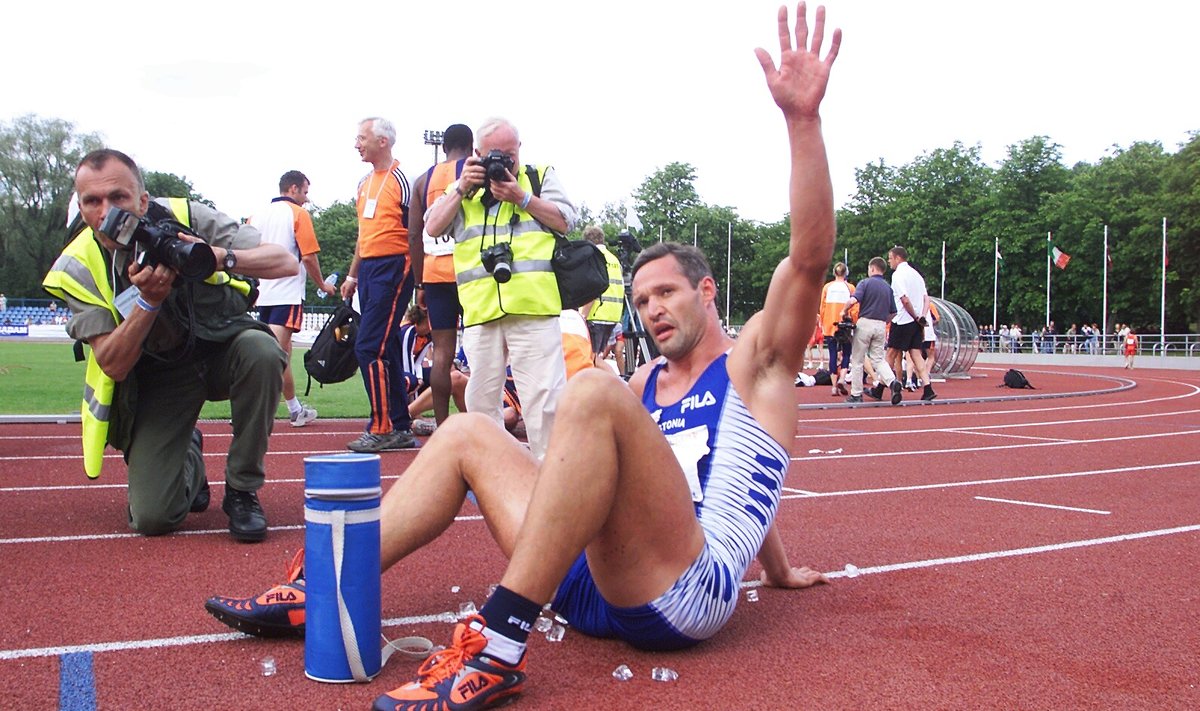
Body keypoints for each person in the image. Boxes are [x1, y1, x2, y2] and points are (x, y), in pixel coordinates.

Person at [205, 6, 837, 709]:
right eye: (643, 296)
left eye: (667, 294)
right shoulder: (649, 379)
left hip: (681, 593)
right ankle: (316, 582)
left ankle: (498, 643)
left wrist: (802, 122)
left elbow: (808, 259)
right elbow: (737, 470)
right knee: (467, 429)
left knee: (591, 390)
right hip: (598, 579)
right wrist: (777, 568)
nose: (652, 308)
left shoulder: (759, 368)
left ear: (708, 292)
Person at [42, 149, 297, 541]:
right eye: (92, 202)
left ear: (143, 200)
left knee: (262, 352)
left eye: (118, 198)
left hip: (221, 350)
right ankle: (190, 455)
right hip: (159, 373)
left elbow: (283, 262)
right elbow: (113, 365)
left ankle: (243, 490)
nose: (106, 212)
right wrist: (148, 301)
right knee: (153, 519)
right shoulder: (78, 264)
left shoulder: (186, 215)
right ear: (81, 206)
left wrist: (218, 257)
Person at [423, 117, 578, 460]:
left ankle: (550, 480)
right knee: (480, 402)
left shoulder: (538, 177)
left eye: (510, 154)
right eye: (496, 154)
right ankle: (496, 475)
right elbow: (432, 227)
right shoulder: (464, 187)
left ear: (520, 149)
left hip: (533, 308)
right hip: (482, 311)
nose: (504, 162)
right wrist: (462, 187)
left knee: (545, 402)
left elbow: (567, 220)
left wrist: (522, 198)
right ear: (477, 153)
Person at [341, 117, 419, 452]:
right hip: (370, 268)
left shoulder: (403, 181)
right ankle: (399, 425)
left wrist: (421, 279)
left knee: (368, 346)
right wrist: (352, 275)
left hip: (395, 264)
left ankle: (383, 427)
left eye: (361, 138)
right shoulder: (363, 183)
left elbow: (416, 230)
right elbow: (363, 234)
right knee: (384, 348)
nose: (356, 144)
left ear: (383, 141)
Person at [251, 170, 337, 427]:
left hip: (262, 295)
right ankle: (250, 410)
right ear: (293, 189)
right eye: (305, 192)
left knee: (281, 354)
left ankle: (295, 409)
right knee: (272, 356)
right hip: (285, 294)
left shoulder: (255, 216)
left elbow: (244, 251)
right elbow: (309, 256)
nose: (307, 199)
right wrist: (322, 285)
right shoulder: (298, 214)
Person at [408, 124, 474, 428]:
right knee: (480, 348)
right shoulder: (475, 170)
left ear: (444, 146)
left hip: (435, 275)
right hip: (471, 272)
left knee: (443, 351)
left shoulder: (423, 180)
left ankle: (442, 425)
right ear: (471, 147)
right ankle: (483, 423)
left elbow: (413, 235)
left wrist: (419, 281)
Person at [841, 257, 900, 404]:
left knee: (858, 360)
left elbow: (853, 300)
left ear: (872, 268)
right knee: (878, 358)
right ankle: (892, 382)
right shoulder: (888, 287)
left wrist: (844, 311)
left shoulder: (865, 283)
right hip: (880, 325)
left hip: (865, 323)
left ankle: (856, 394)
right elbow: (894, 312)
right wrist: (884, 321)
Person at [885, 246, 936, 401]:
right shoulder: (917, 275)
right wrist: (921, 316)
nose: (889, 261)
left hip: (903, 319)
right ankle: (927, 388)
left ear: (897, 258)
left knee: (891, 354)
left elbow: (904, 299)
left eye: (890, 258)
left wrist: (914, 315)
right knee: (916, 354)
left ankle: (881, 386)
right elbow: (926, 298)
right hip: (916, 322)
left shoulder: (898, 275)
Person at [581, 225, 626, 359]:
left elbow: (592, 287)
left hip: (596, 313)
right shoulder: (614, 260)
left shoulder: (593, 257)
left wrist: (582, 315)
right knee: (599, 356)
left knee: (590, 357)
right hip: (613, 315)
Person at [818, 261, 854, 396]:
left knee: (832, 354)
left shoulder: (827, 287)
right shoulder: (850, 287)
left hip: (829, 323)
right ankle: (843, 378)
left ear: (834, 273)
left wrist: (822, 321)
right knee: (846, 353)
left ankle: (833, 386)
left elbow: (822, 307)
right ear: (846, 273)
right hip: (844, 324)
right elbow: (855, 307)